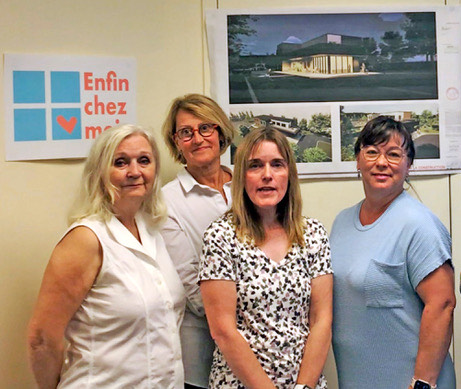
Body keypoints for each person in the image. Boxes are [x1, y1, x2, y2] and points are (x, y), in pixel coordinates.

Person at [27, 125, 185, 388]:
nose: (135, 172)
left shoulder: (151, 231)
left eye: (144, 160)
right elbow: (41, 339)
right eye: (120, 162)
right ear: (100, 172)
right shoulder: (86, 239)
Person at [198, 127, 333, 388]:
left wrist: (303, 387)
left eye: (277, 165)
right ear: (242, 177)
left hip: (304, 384)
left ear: (289, 175)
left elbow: (321, 320)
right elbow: (223, 331)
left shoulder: (313, 234)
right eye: (255, 166)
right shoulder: (221, 236)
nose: (267, 175)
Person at [331, 116, 456, 389]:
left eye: (394, 154)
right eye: (372, 151)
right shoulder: (341, 223)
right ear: (358, 160)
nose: (381, 162)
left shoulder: (419, 224)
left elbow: (442, 305)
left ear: (408, 165)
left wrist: (423, 383)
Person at [160, 93, 236, 389]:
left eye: (206, 128)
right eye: (186, 132)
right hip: (202, 350)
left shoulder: (249, 183)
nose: (198, 138)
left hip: (265, 346)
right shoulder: (166, 201)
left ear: (220, 131)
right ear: (176, 141)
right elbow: (191, 285)